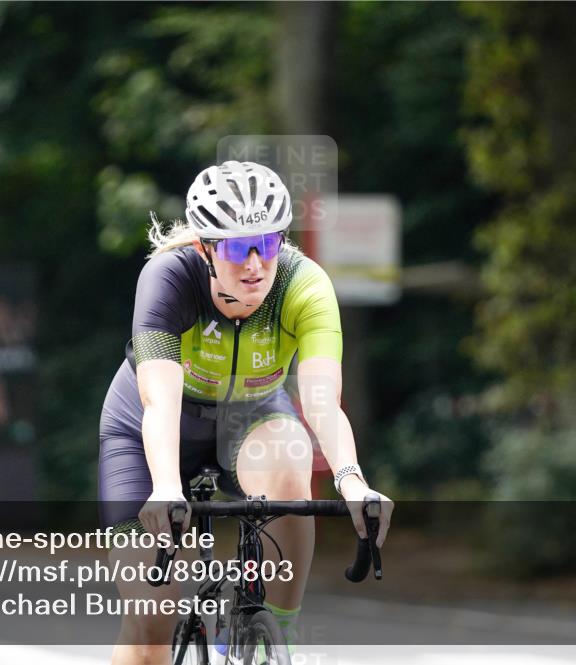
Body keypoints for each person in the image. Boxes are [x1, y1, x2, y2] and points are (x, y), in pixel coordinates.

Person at [98, 160, 393, 665]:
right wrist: (167, 487)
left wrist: (351, 480)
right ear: (206, 248)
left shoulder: (303, 285)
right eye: (237, 247)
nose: (255, 263)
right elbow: (159, 399)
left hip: (250, 422)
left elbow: (322, 399)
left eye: (269, 243)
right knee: (151, 621)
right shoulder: (169, 277)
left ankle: (279, 630)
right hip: (150, 431)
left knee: (290, 456)